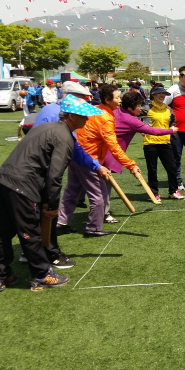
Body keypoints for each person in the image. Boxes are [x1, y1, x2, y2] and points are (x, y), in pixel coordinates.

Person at [0, 95, 104, 293]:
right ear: (70, 116)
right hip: (22, 186)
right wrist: (51, 206)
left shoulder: (45, 127)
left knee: (4, 232)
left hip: (3, 180)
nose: (88, 120)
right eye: (84, 116)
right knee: (30, 233)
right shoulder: (64, 137)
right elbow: (55, 176)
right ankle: (42, 274)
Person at [34, 81, 111, 266]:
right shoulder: (59, 116)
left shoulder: (51, 110)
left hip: (36, 166)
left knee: (41, 208)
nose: (85, 113)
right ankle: (44, 252)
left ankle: (36, 249)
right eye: (81, 100)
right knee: (46, 209)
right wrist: (96, 166)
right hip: (42, 168)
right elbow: (74, 148)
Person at [57, 84, 142, 237]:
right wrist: (130, 165)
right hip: (89, 159)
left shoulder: (94, 109)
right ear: (107, 99)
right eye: (117, 97)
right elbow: (113, 145)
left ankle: (61, 222)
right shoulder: (105, 117)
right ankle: (93, 227)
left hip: (76, 155)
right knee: (99, 194)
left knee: (72, 191)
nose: (120, 100)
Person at [103, 91, 178, 203]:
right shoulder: (131, 119)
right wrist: (170, 130)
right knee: (100, 187)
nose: (141, 108)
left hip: (98, 150)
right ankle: (103, 214)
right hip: (105, 152)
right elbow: (151, 130)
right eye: (138, 105)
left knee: (81, 186)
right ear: (129, 107)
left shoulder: (116, 112)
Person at [144, 85, 185, 200]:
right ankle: (154, 193)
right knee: (152, 170)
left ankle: (173, 191)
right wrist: (142, 129)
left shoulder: (168, 109)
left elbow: (173, 121)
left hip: (165, 143)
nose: (162, 96)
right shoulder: (147, 108)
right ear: (153, 95)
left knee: (171, 168)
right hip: (150, 143)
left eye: (163, 94)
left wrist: (172, 127)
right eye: (159, 93)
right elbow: (136, 119)